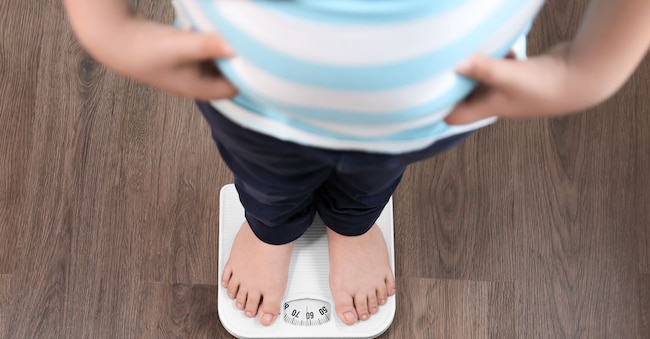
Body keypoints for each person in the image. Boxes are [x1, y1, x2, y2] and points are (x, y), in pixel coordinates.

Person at [63, 0, 650, 327]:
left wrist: (588, 69)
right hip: (250, 97)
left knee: (375, 172)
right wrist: (106, 28)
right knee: (266, 181)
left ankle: (354, 221)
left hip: (430, 107)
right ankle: (272, 227)